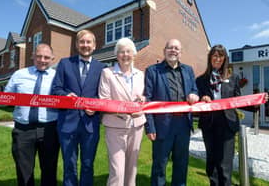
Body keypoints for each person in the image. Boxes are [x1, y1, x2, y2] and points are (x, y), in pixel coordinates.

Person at [196, 44, 268, 186]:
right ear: (210, 58)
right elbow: (196, 101)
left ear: (225, 59)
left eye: (221, 56)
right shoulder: (201, 80)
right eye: (215, 55)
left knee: (224, 165)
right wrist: (201, 99)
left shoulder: (233, 78)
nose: (217, 59)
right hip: (208, 125)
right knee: (211, 164)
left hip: (227, 124)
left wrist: (255, 104)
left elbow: (237, 101)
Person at [51, 29, 106, 186]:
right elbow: (56, 89)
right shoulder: (64, 63)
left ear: (94, 46)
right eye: (82, 41)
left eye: (89, 42)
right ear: (76, 44)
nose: (85, 45)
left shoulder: (102, 68)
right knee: (69, 165)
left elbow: (103, 94)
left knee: (88, 165)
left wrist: (95, 105)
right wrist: (65, 97)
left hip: (90, 124)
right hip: (67, 123)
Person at [144, 39, 199, 186]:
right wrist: (150, 127)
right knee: (159, 165)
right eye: (170, 47)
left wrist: (195, 95)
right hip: (162, 125)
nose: (173, 50)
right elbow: (147, 100)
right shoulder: (152, 71)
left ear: (180, 53)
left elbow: (194, 89)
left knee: (181, 164)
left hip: (183, 125)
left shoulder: (188, 70)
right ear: (164, 51)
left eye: (176, 48)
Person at [4, 43, 59, 186]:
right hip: (23, 129)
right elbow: (5, 98)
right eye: (39, 56)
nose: (42, 60)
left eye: (46, 57)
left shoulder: (58, 77)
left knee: (49, 169)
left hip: (50, 129)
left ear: (53, 59)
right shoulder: (19, 74)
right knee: (24, 170)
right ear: (33, 56)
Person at [98, 37, 146, 186]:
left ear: (134, 54)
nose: (125, 55)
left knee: (132, 168)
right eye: (121, 52)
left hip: (137, 126)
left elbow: (143, 97)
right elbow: (104, 100)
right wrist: (127, 110)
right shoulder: (107, 73)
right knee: (117, 170)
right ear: (116, 55)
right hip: (115, 126)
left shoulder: (140, 74)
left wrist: (142, 100)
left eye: (128, 51)